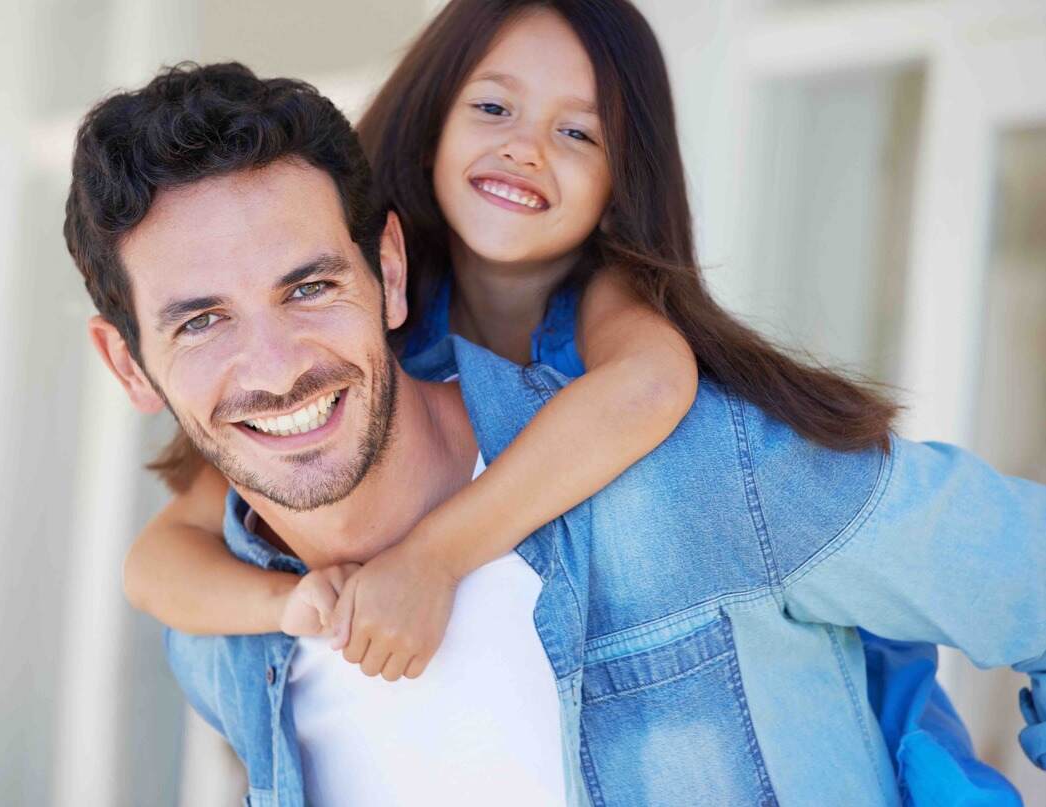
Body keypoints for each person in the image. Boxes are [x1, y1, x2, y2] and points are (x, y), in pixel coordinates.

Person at [63, 55, 1046, 807]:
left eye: (310, 287)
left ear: (390, 273)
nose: (277, 366)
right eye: (202, 321)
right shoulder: (225, 645)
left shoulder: (700, 478)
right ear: (127, 364)